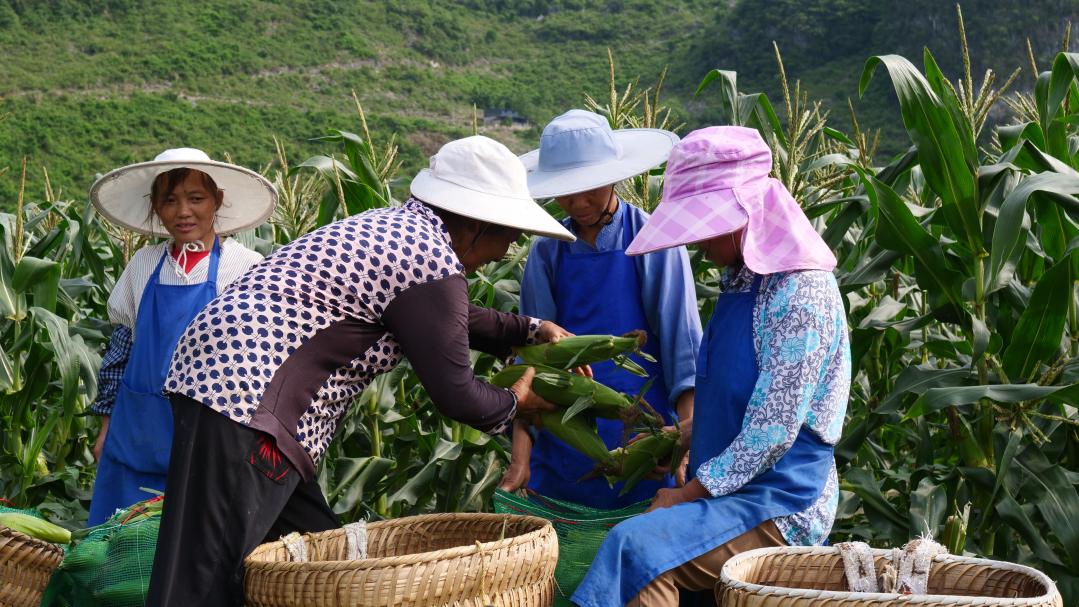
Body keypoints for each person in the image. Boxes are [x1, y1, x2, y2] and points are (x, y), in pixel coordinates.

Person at [146, 136, 579, 606]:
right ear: (475, 222)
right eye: (508, 231)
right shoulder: (427, 258)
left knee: (319, 562)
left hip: (232, 389)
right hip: (250, 402)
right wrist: (520, 403)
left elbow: (444, 318)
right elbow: (459, 395)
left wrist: (531, 330)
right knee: (203, 577)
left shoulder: (401, 233)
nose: (509, 247)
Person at [572, 126, 851, 606]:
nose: (698, 243)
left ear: (746, 212)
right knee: (640, 540)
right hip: (736, 490)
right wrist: (680, 437)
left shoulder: (800, 292)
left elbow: (773, 430)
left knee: (636, 549)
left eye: (705, 226)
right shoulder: (743, 281)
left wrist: (686, 495)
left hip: (781, 501)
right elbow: (739, 399)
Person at [500, 109, 702, 507]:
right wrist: (520, 459)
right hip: (563, 447)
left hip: (644, 444)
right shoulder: (547, 250)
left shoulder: (652, 242)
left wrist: (684, 444)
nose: (577, 202)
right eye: (565, 189)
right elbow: (531, 364)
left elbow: (685, 356)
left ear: (613, 176)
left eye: (589, 187)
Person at [85, 148, 274, 526]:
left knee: (192, 541)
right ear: (155, 207)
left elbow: (259, 363)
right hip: (136, 431)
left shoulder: (244, 267)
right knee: (122, 541)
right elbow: (121, 349)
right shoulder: (144, 264)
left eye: (196, 198)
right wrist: (106, 425)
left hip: (208, 436)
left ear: (217, 201)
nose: (183, 211)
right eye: (169, 200)